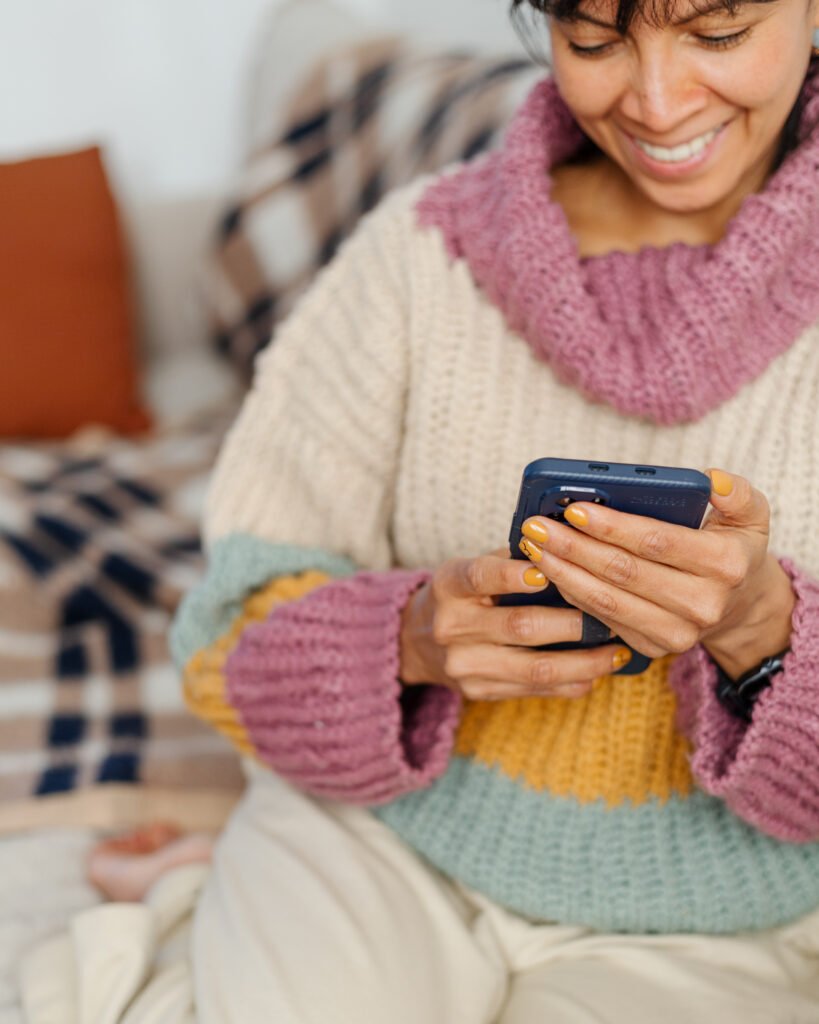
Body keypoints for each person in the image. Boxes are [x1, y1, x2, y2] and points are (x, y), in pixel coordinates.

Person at [169, 0, 819, 1019]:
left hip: (718, 915)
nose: (655, 101)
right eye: (594, 39)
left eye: (718, 31)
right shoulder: (417, 259)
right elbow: (223, 645)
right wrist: (410, 641)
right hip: (379, 843)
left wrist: (762, 634)